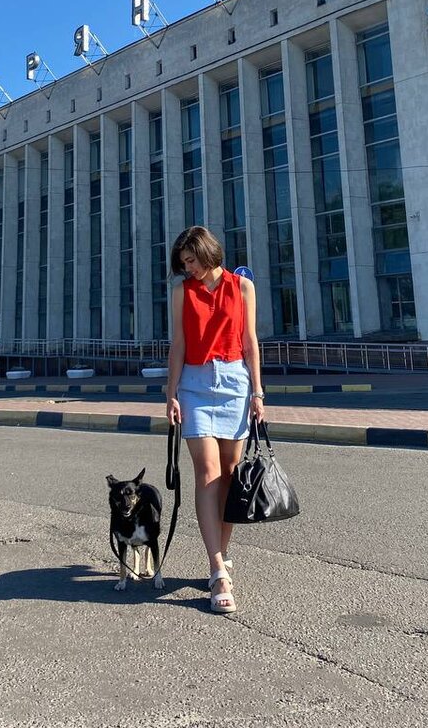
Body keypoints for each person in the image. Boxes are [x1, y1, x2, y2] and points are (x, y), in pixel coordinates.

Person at [165, 225, 265, 614]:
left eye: (191, 260)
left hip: (235, 383)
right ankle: (217, 568)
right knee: (207, 472)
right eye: (183, 263)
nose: (187, 268)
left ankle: (220, 551)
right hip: (194, 384)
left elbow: (250, 341)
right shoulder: (182, 291)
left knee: (230, 475)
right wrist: (171, 393)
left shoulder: (243, 287)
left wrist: (258, 392)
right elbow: (178, 344)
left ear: (207, 253)